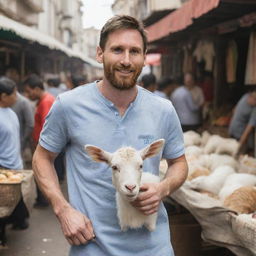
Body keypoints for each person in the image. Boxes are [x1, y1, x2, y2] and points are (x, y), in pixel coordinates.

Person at [32, 15, 188, 256]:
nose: (126, 60)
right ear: (100, 54)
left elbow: (179, 162)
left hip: (154, 248)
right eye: (117, 50)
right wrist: (62, 209)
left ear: (144, 57)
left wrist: (163, 188)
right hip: (92, 247)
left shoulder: (163, 110)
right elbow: (42, 158)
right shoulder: (69, 105)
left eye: (134, 51)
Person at [0, 77, 29, 235]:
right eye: (13, 93)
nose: (17, 97)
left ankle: (19, 221)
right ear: (3, 96)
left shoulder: (11, 112)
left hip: (15, 166)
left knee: (13, 201)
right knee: (2, 206)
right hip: (3, 168)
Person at [23, 74, 55, 207]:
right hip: (40, 144)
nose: (27, 95)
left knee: (42, 173)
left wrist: (40, 146)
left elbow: (46, 127)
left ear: (36, 89)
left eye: (29, 91)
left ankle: (44, 200)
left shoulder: (46, 101)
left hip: (42, 146)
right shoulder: (44, 100)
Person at [229, 89, 256, 154]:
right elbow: (236, 108)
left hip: (240, 137)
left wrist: (240, 144)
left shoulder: (254, 110)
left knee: (238, 155)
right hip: (232, 131)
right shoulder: (245, 96)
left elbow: (249, 128)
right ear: (252, 98)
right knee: (230, 152)